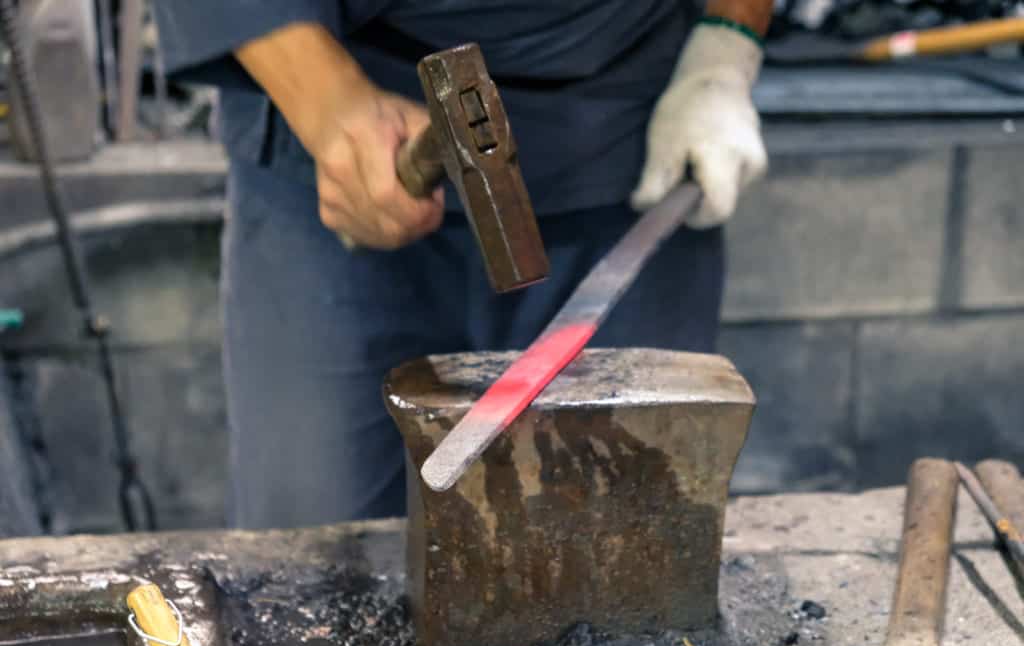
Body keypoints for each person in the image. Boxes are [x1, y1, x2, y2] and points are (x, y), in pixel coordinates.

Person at [154, 1, 771, 528]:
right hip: (330, 126)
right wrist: (327, 102)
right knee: (315, 570)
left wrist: (727, 47)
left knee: (636, 544)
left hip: (629, 141)